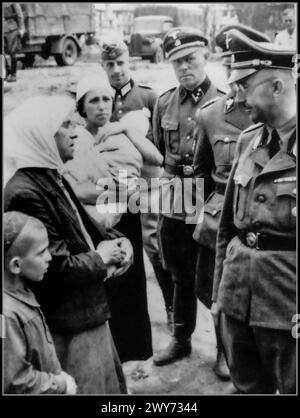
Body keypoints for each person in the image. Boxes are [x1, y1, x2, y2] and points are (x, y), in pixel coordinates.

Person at [4, 96, 130, 394]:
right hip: (71, 323)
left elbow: (84, 229)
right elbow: (55, 268)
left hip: (86, 309)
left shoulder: (50, 174)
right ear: (41, 137)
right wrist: (101, 259)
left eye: (74, 124)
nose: (75, 132)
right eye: (65, 126)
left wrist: (118, 244)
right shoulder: (25, 192)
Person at [212, 29, 296, 393]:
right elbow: (227, 227)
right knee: (247, 386)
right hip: (238, 297)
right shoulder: (250, 140)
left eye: (243, 86)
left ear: (277, 87)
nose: (235, 97)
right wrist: (219, 293)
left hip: (287, 307)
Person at [64, 74, 160, 363]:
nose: (102, 106)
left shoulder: (122, 134)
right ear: (82, 107)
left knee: (128, 290)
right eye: (94, 100)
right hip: (89, 227)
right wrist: (117, 190)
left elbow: (155, 165)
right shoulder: (73, 140)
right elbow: (75, 187)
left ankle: (131, 357)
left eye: (107, 99)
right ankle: (105, 361)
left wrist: (131, 133)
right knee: (99, 290)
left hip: (126, 221)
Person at [192, 24, 270, 380]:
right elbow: (199, 173)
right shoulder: (209, 114)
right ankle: (224, 353)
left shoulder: (275, 112)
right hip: (222, 220)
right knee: (216, 293)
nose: (236, 80)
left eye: (244, 72)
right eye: (230, 68)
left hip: (268, 220)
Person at [152, 27, 225, 366]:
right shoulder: (164, 101)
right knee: (180, 275)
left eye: (190, 59)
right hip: (177, 198)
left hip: (210, 201)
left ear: (205, 57)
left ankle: (225, 351)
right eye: (176, 62)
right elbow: (158, 151)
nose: (184, 67)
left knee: (214, 279)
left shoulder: (226, 102)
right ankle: (181, 340)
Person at [101, 40, 175, 331]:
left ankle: (171, 306)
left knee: (155, 245)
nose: (116, 70)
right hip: (114, 186)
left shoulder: (148, 97)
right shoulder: (99, 97)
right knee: (116, 244)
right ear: (103, 66)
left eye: (121, 63)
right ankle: (124, 314)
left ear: (129, 61)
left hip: (148, 184)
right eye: (110, 64)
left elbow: (160, 148)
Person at [4, 211, 77, 394]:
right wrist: (59, 384)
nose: (49, 257)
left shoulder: (22, 291)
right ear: (16, 265)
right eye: (41, 252)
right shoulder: (5, 316)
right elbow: (16, 380)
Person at [4, 3, 25, 82]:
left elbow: (19, 15)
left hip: (11, 28)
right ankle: (6, 72)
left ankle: (13, 75)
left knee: (12, 52)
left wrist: (22, 28)